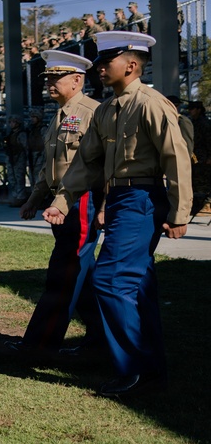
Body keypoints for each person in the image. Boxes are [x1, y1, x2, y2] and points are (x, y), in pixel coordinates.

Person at [43, 31, 192, 397]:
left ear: (130, 64)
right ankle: (151, 371)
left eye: (106, 62)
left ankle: (134, 370)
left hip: (143, 197)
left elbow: (176, 158)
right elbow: (86, 162)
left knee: (111, 279)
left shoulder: (150, 103)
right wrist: (61, 201)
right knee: (137, 285)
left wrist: (180, 211)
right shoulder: (108, 109)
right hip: (122, 198)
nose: (100, 68)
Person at [11, 50, 103, 358]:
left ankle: (39, 344)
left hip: (81, 201)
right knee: (83, 275)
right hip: (61, 202)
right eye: (47, 78)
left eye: (55, 77)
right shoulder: (60, 114)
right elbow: (49, 166)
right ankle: (100, 339)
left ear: (77, 80)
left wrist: (70, 202)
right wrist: (34, 199)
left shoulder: (92, 112)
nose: (48, 83)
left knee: (64, 272)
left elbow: (93, 165)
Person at [188, 100, 210, 214]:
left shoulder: (204, 124)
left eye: (192, 109)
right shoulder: (193, 122)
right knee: (196, 182)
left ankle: (207, 204)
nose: (190, 111)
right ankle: (197, 205)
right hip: (196, 156)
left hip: (204, 157)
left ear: (198, 110)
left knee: (204, 182)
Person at [3, 116, 29, 206]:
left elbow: (25, 147)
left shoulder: (21, 134)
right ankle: (16, 197)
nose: (11, 124)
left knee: (19, 178)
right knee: (12, 178)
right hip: (11, 158)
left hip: (19, 158)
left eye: (13, 122)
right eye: (10, 122)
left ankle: (21, 198)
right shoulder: (11, 134)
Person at [26, 110, 46, 195]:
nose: (32, 119)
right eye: (31, 117)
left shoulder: (43, 128)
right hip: (32, 154)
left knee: (39, 176)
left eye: (34, 117)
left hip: (40, 154)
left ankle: (40, 196)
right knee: (32, 176)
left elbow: (46, 142)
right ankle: (33, 195)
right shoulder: (30, 129)